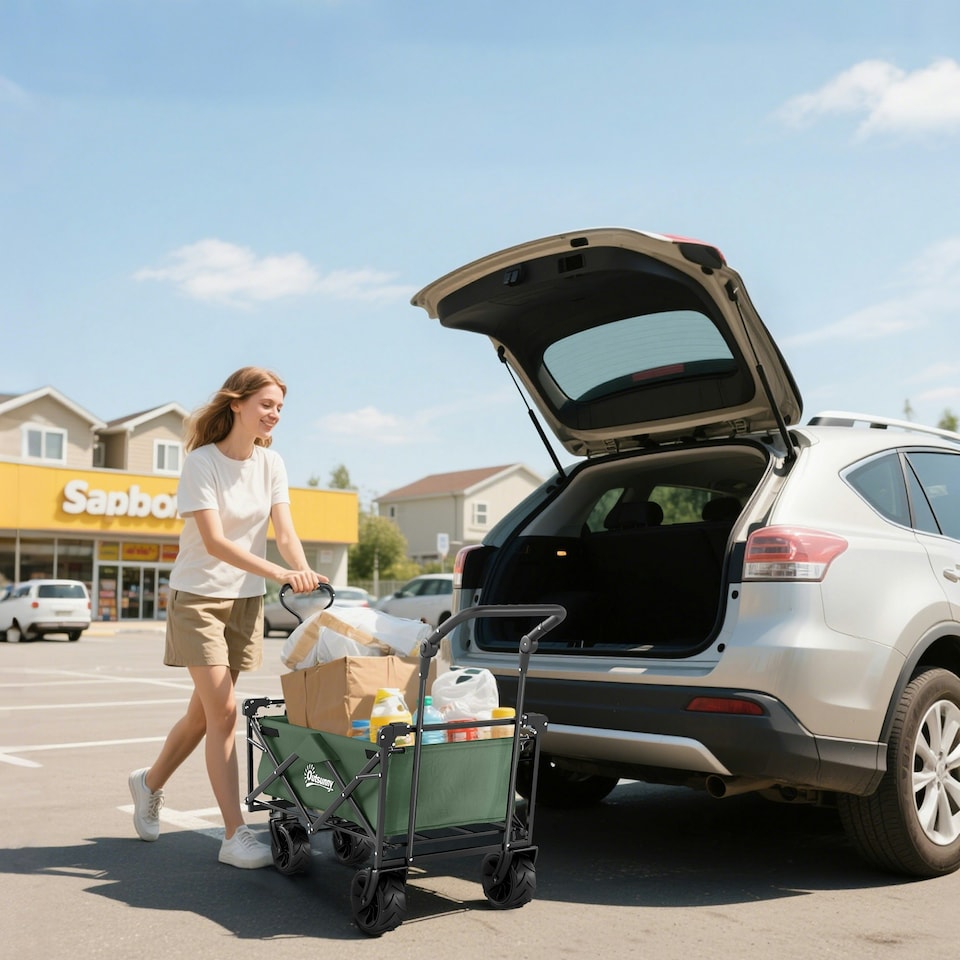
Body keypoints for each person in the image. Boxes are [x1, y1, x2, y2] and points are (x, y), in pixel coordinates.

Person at [128, 366, 327, 869]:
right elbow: (215, 542)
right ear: (237, 403)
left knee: (204, 715)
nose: (274, 413)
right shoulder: (201, 463)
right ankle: (234, 834)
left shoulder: (271, 463)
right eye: (266, 404)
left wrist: (302, 570)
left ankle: (149, 782)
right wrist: (280, 572)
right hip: (197, 598)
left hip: (244, 601)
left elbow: (285, 532)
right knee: (224, 712)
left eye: (279, 407)